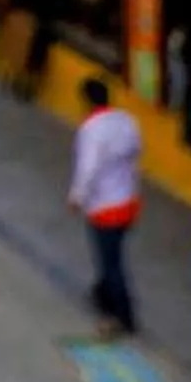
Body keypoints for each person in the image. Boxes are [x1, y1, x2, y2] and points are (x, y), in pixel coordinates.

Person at [68, 77, 145, 339]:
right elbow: (136, 152)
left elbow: (87, 168)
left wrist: (77, 196)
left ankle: (122, 316)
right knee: (112, 255)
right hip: (128, 200)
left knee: (110, 263)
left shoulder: (91, 129)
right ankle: (101, 293)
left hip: (104, 206)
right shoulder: (126, 121)